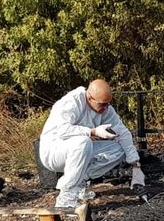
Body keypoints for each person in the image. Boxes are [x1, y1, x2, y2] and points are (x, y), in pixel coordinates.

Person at [39, 79, 145, 208]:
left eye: (108, 104)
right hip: (53, 151)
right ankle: (66, 198)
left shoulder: (104, 108)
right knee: (83, 142)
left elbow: (122, 132)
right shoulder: (71, 102)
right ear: (89, 97)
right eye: (102, 104)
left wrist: (136, 165)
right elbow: (60, 130)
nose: (106, 108)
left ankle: (80, 182)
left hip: (79, 150)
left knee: (119, 149)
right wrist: (92, 131)